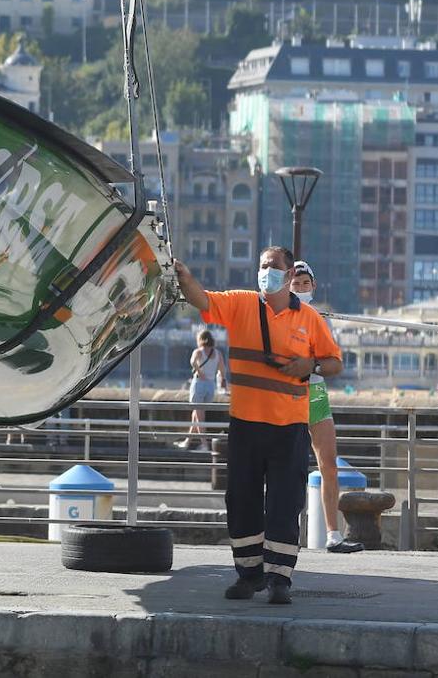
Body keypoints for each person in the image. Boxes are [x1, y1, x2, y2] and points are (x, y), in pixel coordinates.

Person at [174, 245, 344, 605]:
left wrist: (309, 366)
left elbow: (334, 363)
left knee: (285, 503)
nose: (265, 271)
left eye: (272, 267)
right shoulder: (241, 304)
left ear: (287, 274)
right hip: (246, 425)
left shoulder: (309, 318)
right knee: (241, 499)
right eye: (262, 266)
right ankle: (248, 575)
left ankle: (280, 578)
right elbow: (202, 300)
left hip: (289, 427)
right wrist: (185, 278)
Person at [289, 261, 364, 554]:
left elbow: (329, 356)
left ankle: (333, 534)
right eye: (296, 283)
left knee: (328, 463)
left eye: (305, 283)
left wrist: (312, 362)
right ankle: (279, 531)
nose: (300, 287)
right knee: (286, 465)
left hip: (316, 392)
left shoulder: (321, 316)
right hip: (288, 393)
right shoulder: (277, 313)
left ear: (314, 286)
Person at [176, 330, 226, 450]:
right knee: (197, 414)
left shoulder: (198, 351)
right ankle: (187, 442)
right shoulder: (217, 353)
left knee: (199, 416)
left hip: (199, 384)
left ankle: (204, 445)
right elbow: (222, 370)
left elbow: (192, 362)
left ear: (201, 339)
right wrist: (222, 381)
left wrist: (199, 371)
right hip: (210, 385)